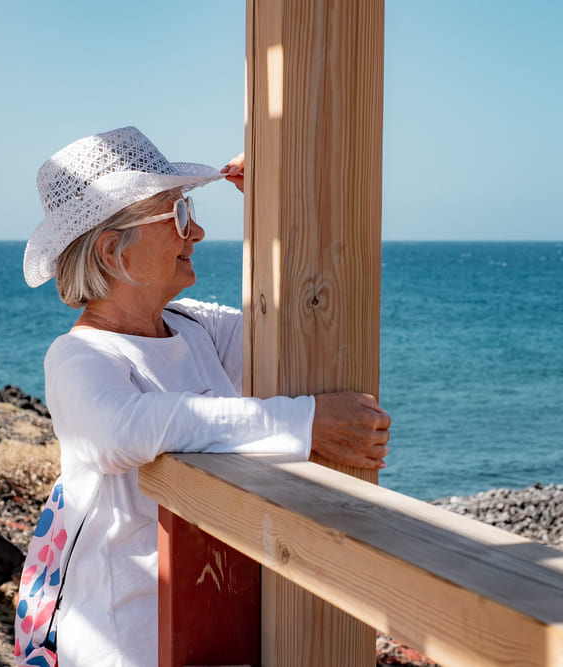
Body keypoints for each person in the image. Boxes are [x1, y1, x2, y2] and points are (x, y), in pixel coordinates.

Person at [22, 126, 390, 667]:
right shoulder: (79, 356)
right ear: (112, 250)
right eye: (176, 214)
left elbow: (302, 334)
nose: (195, 230)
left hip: (211, 625)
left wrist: (279, 201)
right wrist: (305, 423)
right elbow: (124, 429)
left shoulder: (196, 326)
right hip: (123, 640)